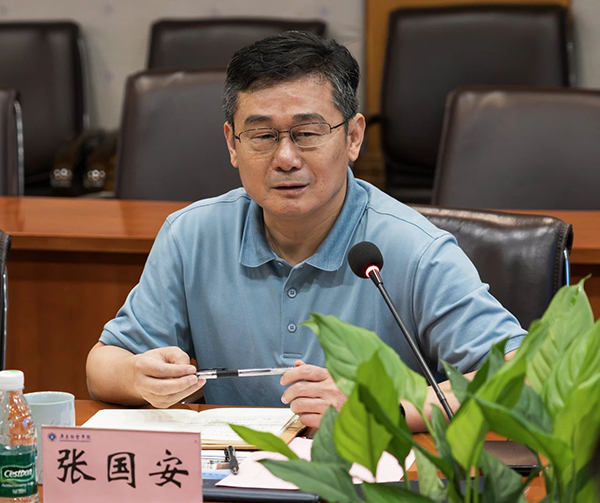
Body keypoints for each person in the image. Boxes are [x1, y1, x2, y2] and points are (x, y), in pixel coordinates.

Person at [86, 31, 525, 431]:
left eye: (308, 133)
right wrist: (138, 377)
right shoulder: (192, 235)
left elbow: (519, 376)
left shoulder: (412, 248)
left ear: (353, 137)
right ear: (232, 144)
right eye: (262, 136)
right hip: (235, 473)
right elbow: (102, 366)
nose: (285, 158)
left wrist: (382, 408)